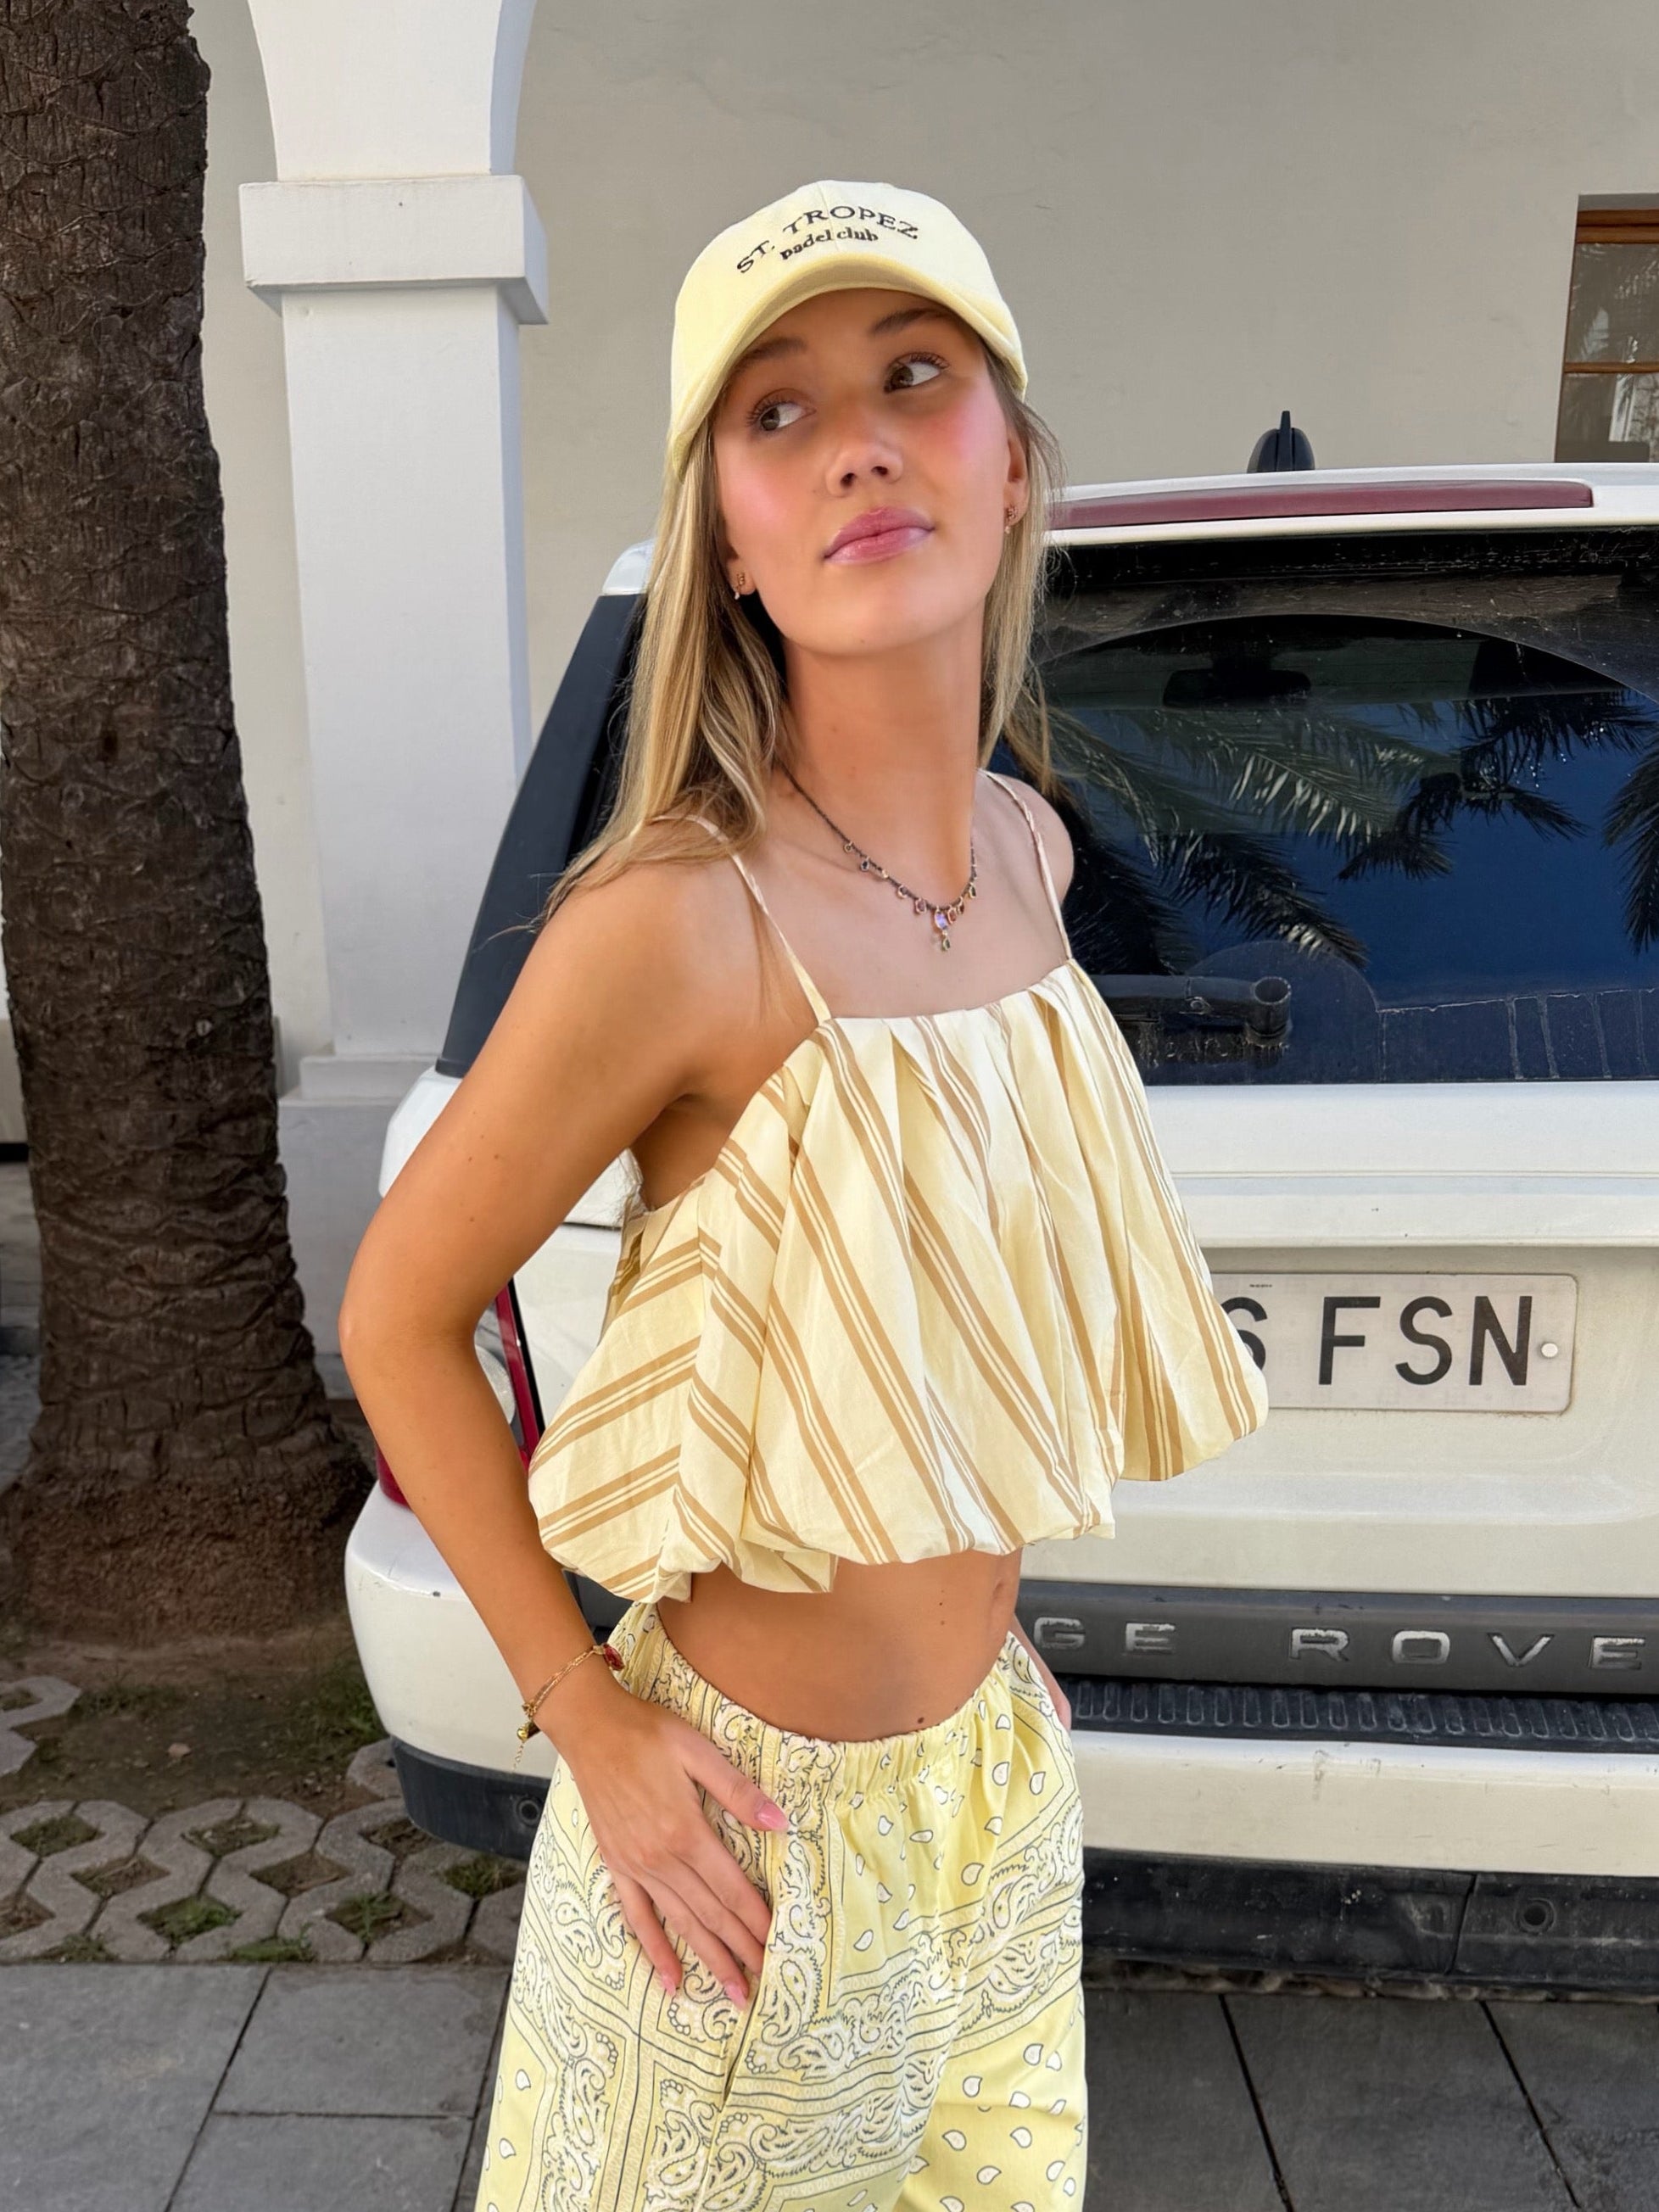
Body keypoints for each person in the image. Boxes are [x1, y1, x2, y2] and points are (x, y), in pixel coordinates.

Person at [339, 176, 1270, 2212]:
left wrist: (981, 1665)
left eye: (914, 375)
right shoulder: (679, 923)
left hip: (989, 1787)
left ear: (1011, 466)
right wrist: (582, 1715)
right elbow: (397, 1316)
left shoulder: (1024, 853)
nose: (856, 441)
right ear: (731, 543)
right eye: (776, 411)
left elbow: (957, 1319)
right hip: (740, 1833)